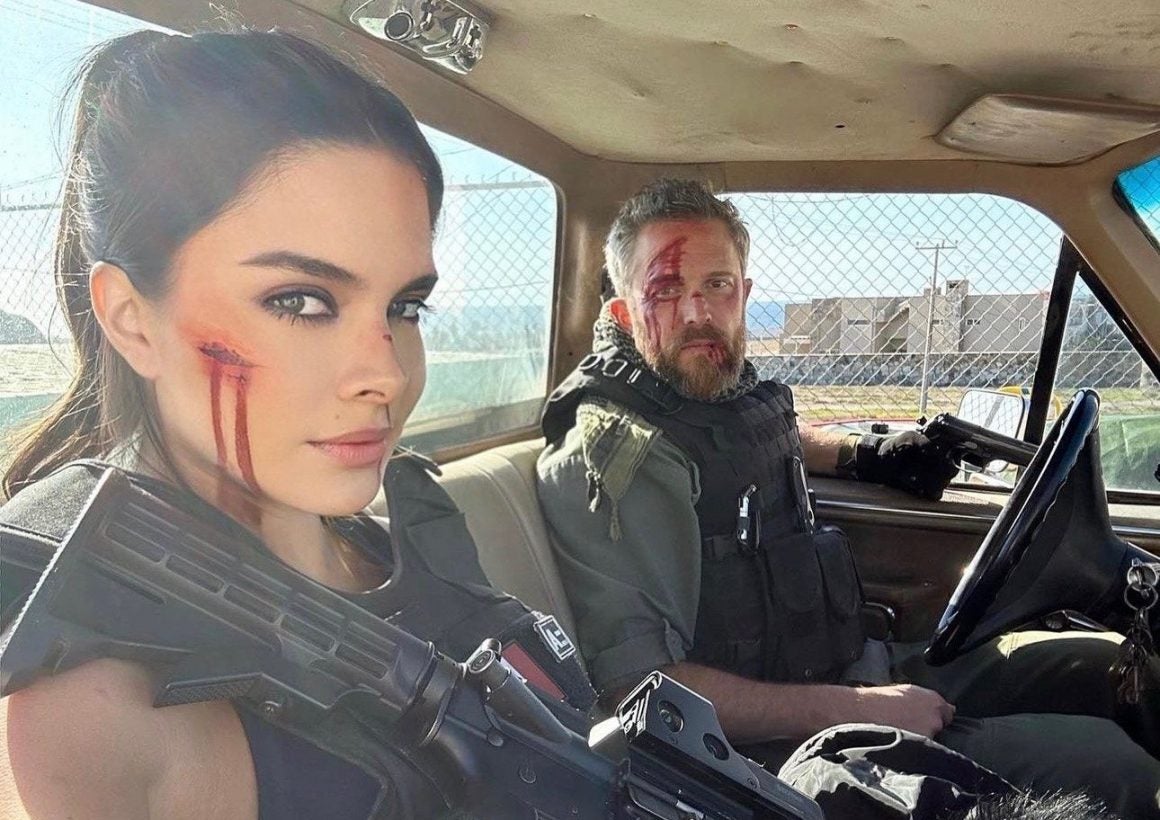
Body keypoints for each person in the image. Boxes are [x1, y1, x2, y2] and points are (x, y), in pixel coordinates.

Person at [0, 29, 593, 820]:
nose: (387, 374)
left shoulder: (398, 548)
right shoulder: (94, 715)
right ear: (132, 319)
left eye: (404, 306)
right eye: (301, 302)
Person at [536, 177, 1160, 817]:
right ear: (623, 313)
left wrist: (868, 453)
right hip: (777, 755)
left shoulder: (706, 385)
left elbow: (758, 436)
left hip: (852, 672)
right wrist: (858, 708)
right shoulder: (619, 454)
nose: (698, 312)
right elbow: (644, 688)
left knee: (1105, 668)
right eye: (667, 290)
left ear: (744, 294)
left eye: (716, 284)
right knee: (1117, 769)